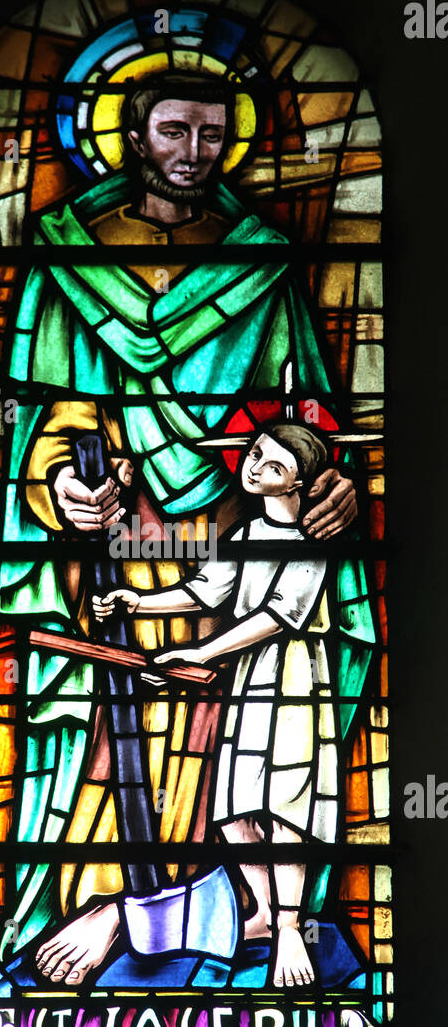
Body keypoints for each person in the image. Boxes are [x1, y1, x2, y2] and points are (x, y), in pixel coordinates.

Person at [0, 72, 374, 985]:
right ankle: (108, 906)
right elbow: (47, 419)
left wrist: (336, 497)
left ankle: (187, 922)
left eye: (213, 135)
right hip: (125, 542)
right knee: (106, 742)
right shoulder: (69, 252)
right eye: (175, 131)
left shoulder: (262, 260)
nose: (195, 153)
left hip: (236, 543)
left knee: (240, 756)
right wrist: (61, 484)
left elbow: (308, 423)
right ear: (134, 137)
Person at [93, 421, 336, 988]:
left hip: (294, 681)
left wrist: (199, 650)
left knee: (284, 803)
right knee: (234, 809)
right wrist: (139, 602)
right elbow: (205, 591)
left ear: (297, 484)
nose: (254, 468)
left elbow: (275, 618)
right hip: (248, 678)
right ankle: (265, 915)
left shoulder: (313, 548)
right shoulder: (245, 533)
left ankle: (292, 926)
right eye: (255, 455)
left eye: (273, 466)